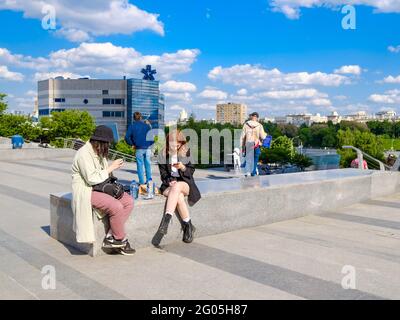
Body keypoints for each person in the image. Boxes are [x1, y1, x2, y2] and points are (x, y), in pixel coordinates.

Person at [71, 125, 135, 256]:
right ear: (99, 142)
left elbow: (104, 175)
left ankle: (111, 236)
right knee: (116, 206)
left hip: (101, 187)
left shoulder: (98, 151)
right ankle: (120, 238)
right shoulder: (83, 154)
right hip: (87, 190)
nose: (108, 147)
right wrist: (111, 167)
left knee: (128, 201)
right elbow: (91, 179)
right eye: (107, 143)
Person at [151, 129, 201, 247]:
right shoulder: (163, 154)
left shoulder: (186, 152)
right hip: (170, 185)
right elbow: (163, 175)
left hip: (185, 184)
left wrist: (183, 167)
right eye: (173, 142)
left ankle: (166, 221)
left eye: (179, 142)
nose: (176, 145)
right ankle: (188, 226)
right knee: (178, 196)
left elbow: (191, 172)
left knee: (178, 186)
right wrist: (170, 181)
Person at [125, 112, 154, 188]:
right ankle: (149, 182)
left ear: (134, 118)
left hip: (138, 148)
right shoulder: (147, 126)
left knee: (140, 166)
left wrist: (132, 144)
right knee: (148, 165)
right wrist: (149, 144)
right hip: (147, 148)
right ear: (141, 117)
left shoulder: (132, 126)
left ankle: (141, 183)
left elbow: (126, 137)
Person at [240, 112, 267, 177]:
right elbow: (263, 137)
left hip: (248, 144)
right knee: (255, 158)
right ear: (257, 118)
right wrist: (265, 135)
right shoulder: (260, 125)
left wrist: (241, 146)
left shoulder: (246, 124)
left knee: (248, 158)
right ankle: (253, 171)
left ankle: (247, 172)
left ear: (251, 117)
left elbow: (242, 136)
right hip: (256, 144)